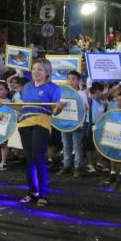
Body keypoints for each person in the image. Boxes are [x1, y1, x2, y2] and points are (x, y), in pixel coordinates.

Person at [16, 59, 65, 207]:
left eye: (40, 69)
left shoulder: (54, 88)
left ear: (47, 72)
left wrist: (60, 108)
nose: (36, 72)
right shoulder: (27, 87)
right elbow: (23, 107)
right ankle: (32, 191)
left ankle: (43, 193)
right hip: (24, 123)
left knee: (38, 156)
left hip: (42, 123)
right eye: (34, 69)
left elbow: (54, 111)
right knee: (29, 157)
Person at [57, 70, 88, 178]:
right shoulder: (63, 92)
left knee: (77, 145)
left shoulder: (81, 93)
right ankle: (67, 166)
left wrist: (82, 107)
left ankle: (78, 167)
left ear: (79, 81)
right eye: (69, 78)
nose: (70, 81)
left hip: (76, 124)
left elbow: (85, 107)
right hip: (64, 123)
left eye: (73, 79)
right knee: (66, 145)